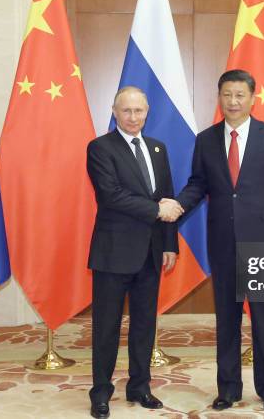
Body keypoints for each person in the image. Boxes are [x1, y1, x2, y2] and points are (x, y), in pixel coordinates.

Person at [164, 69, 264, 413]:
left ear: (252, 98)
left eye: (240, 95)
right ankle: (228, 389)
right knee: (227, 319)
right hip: (223, 242)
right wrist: (179, 204)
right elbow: (198, 183)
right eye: (227, 95)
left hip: (263, 243)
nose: (233, 101)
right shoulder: (206, 139)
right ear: (219, 97)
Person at [86, 86, 183, 419]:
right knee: (107, 327)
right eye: (126, 111)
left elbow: (168, 196)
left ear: (147, 112)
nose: (133, 117)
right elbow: (111, 196)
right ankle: (101, 393)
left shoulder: (157, 148)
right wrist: (157, 210)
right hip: (113, 253)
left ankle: (140, 386)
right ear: (114, 112)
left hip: (152, 254)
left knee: (144, 325)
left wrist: (170, 243)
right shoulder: (100, 148)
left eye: (139, 111)